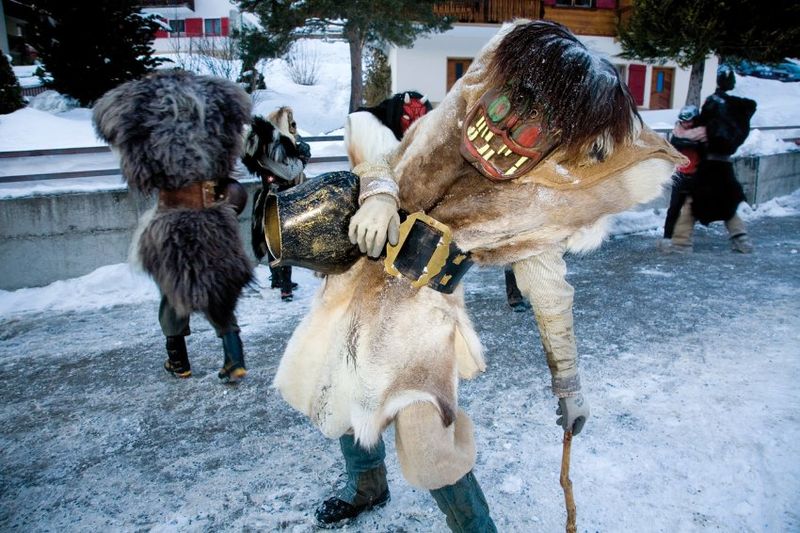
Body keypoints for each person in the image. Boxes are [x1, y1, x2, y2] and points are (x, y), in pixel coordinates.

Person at [272, 20, 683, 531]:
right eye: (509, 106)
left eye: (532, 130)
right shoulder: (447, 122)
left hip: (419, 325)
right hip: (355, 286)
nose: (505, 130)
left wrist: (568, 383)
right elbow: (383, 160)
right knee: (339, 393)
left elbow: (550, 295)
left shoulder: (531, 208)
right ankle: (366, 484)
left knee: (428, 447)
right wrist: (379, 196)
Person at [92, 70, 253, 382]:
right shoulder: (217, 112)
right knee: (218, 290)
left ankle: (178, 363)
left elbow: (116, 138)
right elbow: (238, 145)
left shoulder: (141, 116)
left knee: (172, 291)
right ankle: (235, 359)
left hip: (172, 223)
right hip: (214, 220)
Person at [666, 65, 756, 254]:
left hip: (709, 168)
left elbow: (688, 135)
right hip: (725, 166)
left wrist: (680, 130)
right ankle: (742, 240)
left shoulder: (713, 112)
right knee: (727, 204)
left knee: (693, 202)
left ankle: (681, 243)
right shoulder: (732, 111)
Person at [242, 106, 310, 302]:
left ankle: (279, 280)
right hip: (278, 198)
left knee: (276, 240)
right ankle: (285, 286)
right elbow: (288, 172)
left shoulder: (269, 144)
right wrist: (302, 160)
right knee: (281, 241)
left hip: (275, 196)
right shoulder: (271, 146)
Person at [657, 104, 707, 252]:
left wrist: (694, 145)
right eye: (683, 121)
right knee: (673, 209)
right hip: (681, 176)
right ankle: (667, 238)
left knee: (691, 211)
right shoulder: (678, 131)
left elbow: (705, 152)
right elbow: (673, 148)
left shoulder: (702, 133)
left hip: (696, 177)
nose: (685, 124)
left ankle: (684, 241)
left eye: (689, 121)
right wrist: (686, 143)